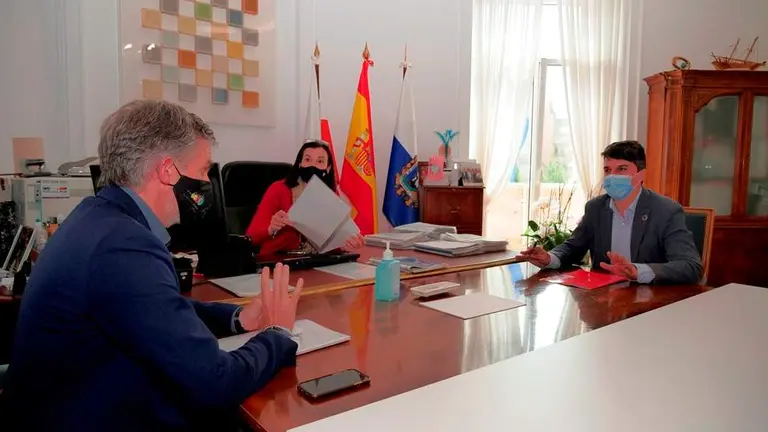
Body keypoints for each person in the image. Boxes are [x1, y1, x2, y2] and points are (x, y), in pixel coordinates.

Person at [0, 100, 303, 431]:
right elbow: (216, 382)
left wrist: (236, 318)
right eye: (203, 171)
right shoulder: (123, 246)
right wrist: (277, 333)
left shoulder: (98, 217)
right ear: (167, 170)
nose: (207, 184)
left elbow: (156, 310)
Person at [516, 140, 702, 285]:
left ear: (641, 175)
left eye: (621, 169)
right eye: (607, 170)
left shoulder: (666, 210)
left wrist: (637, 271)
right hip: (602, 298)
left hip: (649, 301)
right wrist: (550, 258)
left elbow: (690, 266)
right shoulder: (595, 207)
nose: (612, 176)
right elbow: (573, 248)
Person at [246, 140, 364, 255]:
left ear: (328, 169)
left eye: (320, 161)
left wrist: (344, 246)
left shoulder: (330, 195)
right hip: (280, 260)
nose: (313, 165)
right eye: (307, 160)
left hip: (315, 261)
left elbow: (330, 242)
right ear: (299, 164)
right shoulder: (279, 189)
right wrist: (271, 228)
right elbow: (251, 236)